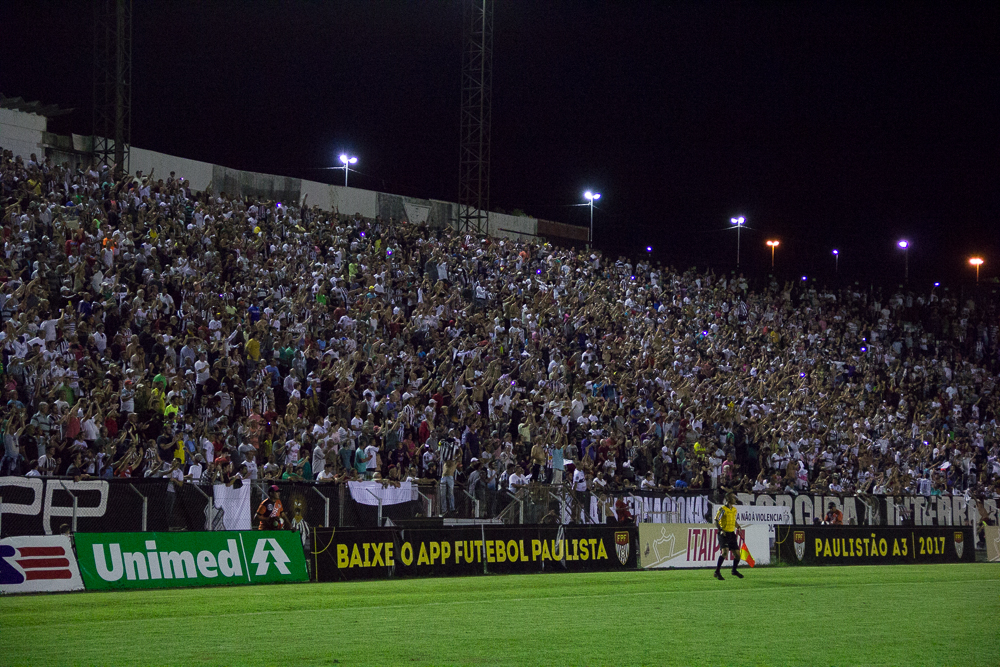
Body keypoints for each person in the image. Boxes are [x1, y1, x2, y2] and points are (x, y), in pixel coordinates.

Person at [713, 492, 744, 580]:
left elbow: (733, 521)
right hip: (724, 534)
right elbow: (716, 521)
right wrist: (721, 530)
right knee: (725, 552)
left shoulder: (734, 510)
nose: (735, 499)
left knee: (738, 554)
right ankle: (717, 571)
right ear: (729, 499)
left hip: (731, 533)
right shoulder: (722, 509)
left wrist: (738, 527)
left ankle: (734, 570)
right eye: (734, 498)